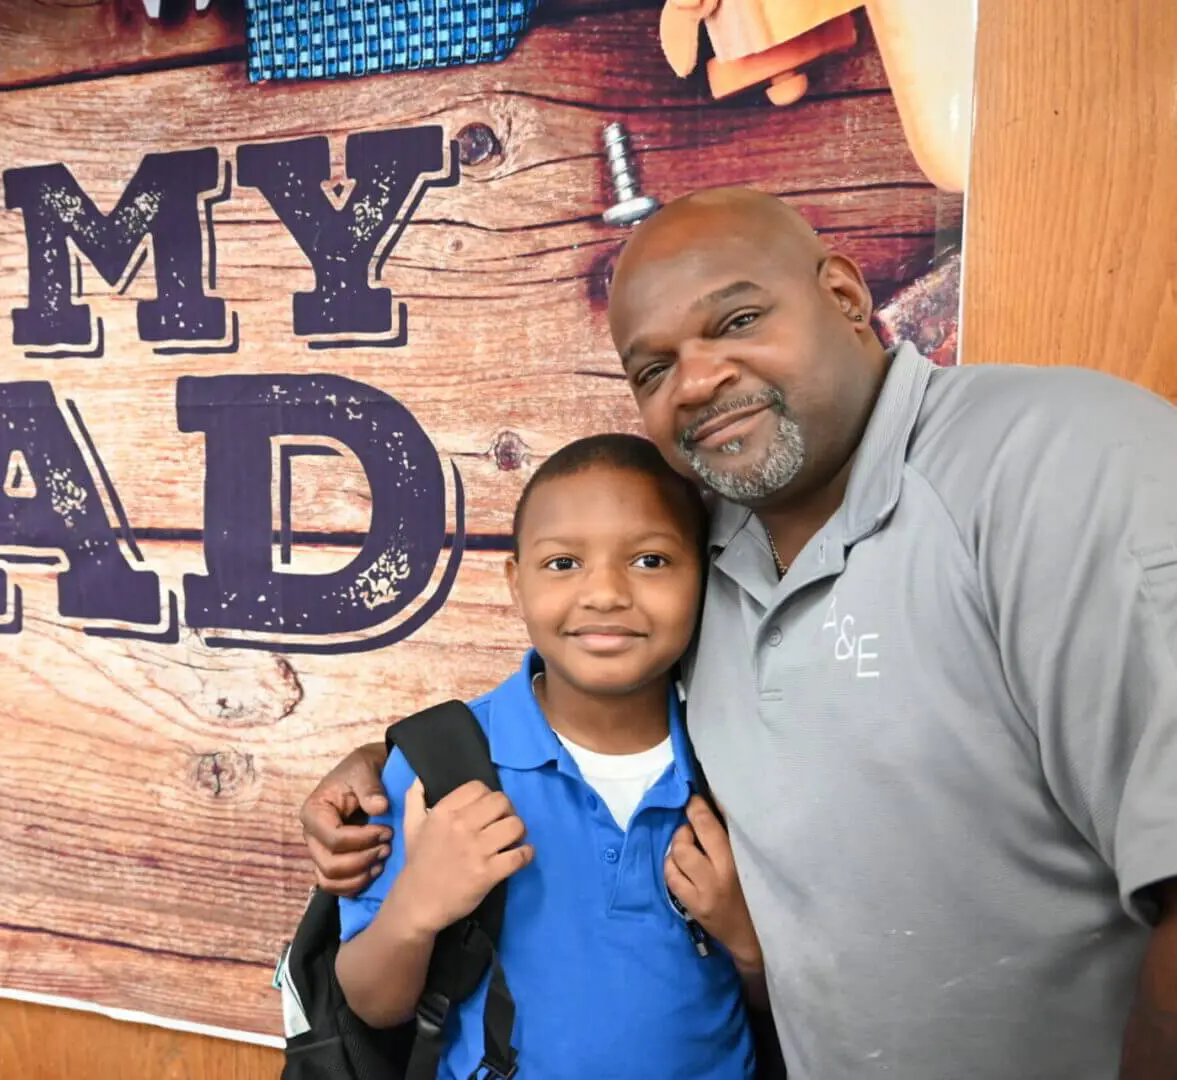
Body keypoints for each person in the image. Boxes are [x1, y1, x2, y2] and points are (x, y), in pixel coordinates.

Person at [297, 188, 1177, 1079]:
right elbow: (596, 689)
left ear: (844, 295)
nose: (696, 381)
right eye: (653, 370)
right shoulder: (711, 536)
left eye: (739, 320)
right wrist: (395, 762)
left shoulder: (1062, 460)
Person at [335, 432, 765, 1078]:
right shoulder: (441, 770)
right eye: (563, 563)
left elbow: (807, 1009)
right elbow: (373, 1004)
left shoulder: (744, 759)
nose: (604, 594)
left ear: (702, 574)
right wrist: (416, 908)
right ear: (516, 583)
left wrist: (750, 945)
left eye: (650, 560)